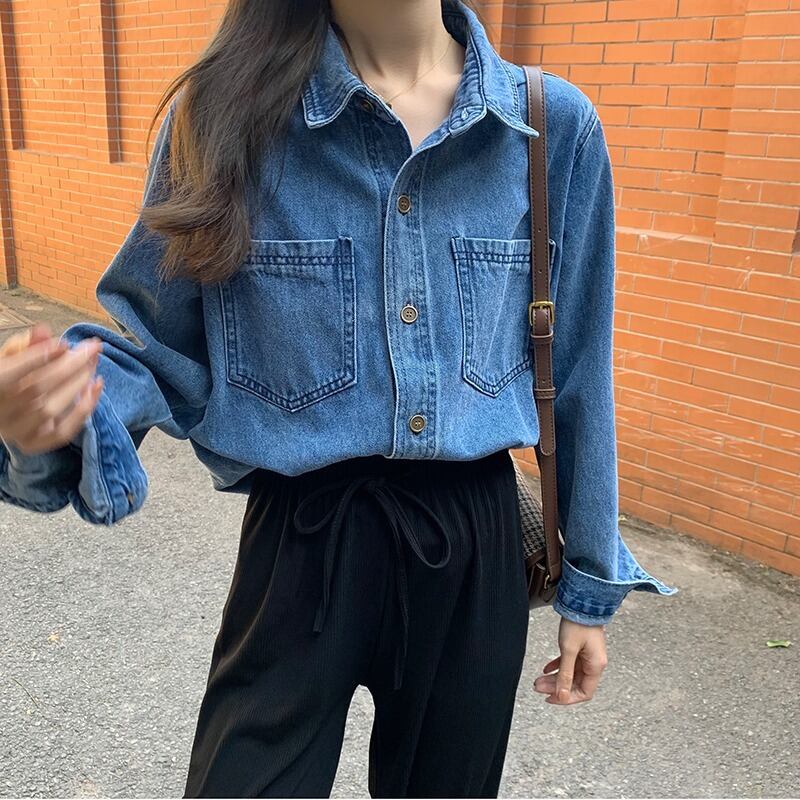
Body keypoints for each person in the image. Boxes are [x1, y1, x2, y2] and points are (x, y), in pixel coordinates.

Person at [0, 0, 679, 796]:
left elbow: (579, 368)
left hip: (475, 549)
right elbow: (158, 351)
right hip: (301, 541)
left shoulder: (547, 127)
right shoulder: (225, 116)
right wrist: (57, 409)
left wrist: (590, 585)